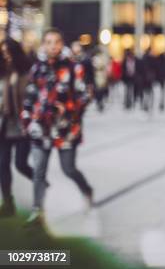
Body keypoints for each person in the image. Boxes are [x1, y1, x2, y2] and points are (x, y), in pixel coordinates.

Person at [22, 28, 94, 226]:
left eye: (56, 42)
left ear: (62, 44)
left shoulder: (74, 68)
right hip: (41, 128)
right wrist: (27, 119)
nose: (52, 46)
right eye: (48, 42)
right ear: (43, 44)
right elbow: (30, 95)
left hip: (66, 129)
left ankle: (86, 190)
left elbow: (85, 95)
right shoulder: (37, 68)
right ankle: (38, 210)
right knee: (38, 171)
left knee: (68, 169)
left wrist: (68, 109)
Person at [0, 38, 34, 217]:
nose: (6, 56)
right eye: (3, 53)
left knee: (21, 164)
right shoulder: (3, 72)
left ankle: (42, 185)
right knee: (2, 165)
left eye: (8, 52)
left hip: (22, 125)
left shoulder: (27, 73)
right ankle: (7, 203)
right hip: (5, 126)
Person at [91, 47, 110, 111]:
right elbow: (94, 67)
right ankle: (99, 102)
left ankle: (101, 102)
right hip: (97, 76)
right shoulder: (94, 58)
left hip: (102, 76)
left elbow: (105, 65)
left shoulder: (102, 58)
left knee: (102, 90)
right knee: (98, 90)